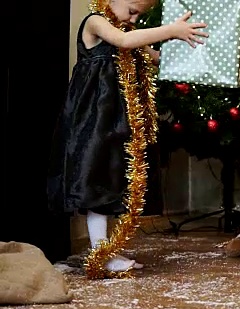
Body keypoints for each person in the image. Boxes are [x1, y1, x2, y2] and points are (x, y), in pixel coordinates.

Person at [47, 0, 208, 272]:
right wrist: (171, 29)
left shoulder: (127, 32)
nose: (133, 20)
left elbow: (155, 57)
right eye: (132, 11)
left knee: (112, 181)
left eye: (138, 16)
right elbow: (123, 40)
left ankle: (104, 248)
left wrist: (197, 54)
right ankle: (100, 252)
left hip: (118, 122)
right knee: (96, 180)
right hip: (93, 121)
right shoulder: (96, 22)